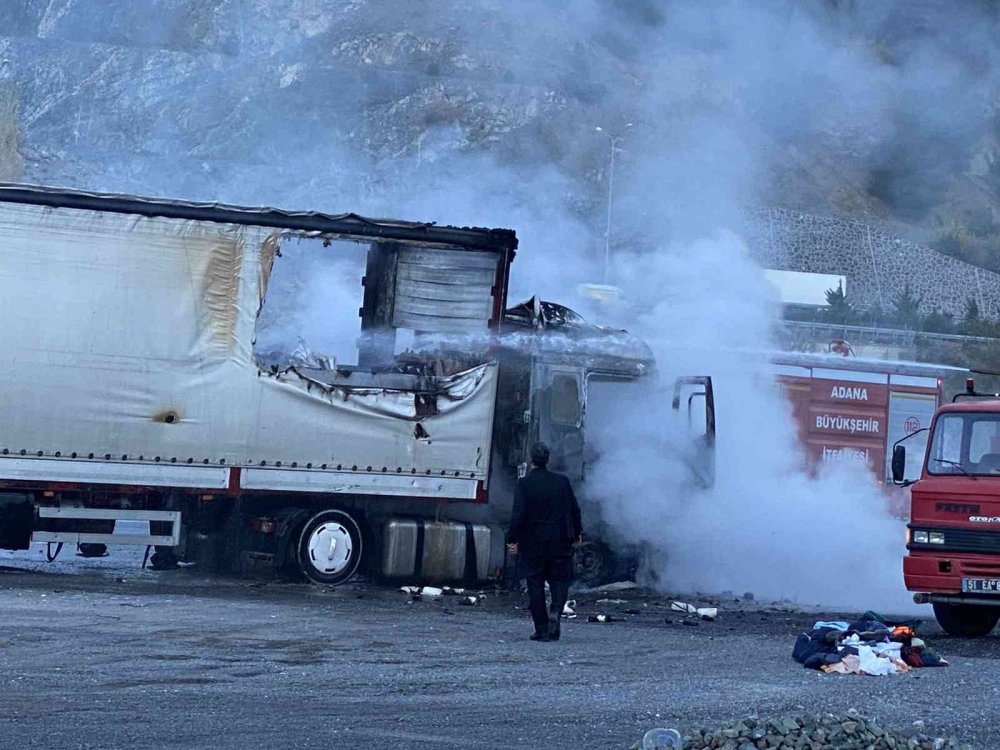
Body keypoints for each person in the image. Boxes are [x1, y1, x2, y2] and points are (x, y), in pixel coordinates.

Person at [506, 441, 582, 642]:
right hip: (559, 541)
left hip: (533, 543)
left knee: (535, 584)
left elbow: (518, 515)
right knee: (559, 581)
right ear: (548, 460)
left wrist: (512, 538)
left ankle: (541, 629)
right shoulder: (562, 482)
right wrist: (577, 535)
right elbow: (574, 510)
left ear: (532, 460)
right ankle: (556, 610)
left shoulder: (524, 483)